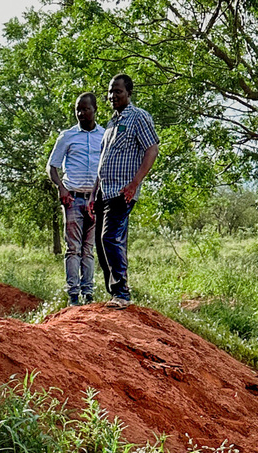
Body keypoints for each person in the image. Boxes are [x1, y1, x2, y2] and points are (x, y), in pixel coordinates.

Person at [91, 74, 159, 310]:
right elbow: (103, 160)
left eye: (118, 91)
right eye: (110, 92)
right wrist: (93, 193)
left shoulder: (138, 117)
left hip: (122, 190)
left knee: (110, 238)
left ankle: (122, 293)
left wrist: (135, 183)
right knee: (100, 244)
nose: (113, 96)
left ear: (129, 93)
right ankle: (113, 293)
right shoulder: (111, 122)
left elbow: (152, 148)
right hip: (103, 191)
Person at [47, 93, 105, 306]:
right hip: (73, 198)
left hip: (96, 200)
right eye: (78, 110)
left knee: (89, 249)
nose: (81, 113)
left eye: (85, 109)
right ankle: (73, 295)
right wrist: (61, 188)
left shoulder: (104, 135)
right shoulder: (67, 136)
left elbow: (105, 167)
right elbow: (52, 166)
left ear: (95, 109)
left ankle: (88, 294)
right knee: (73, 248)